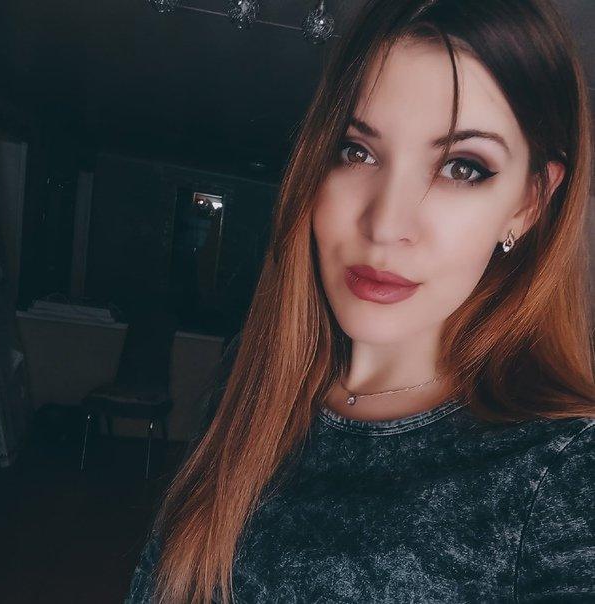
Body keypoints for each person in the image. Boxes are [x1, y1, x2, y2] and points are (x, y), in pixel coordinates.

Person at [125, 0, 595, 602]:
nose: (385, 224)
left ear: (530, 203)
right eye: (357, 152)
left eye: (462, 167)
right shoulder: (254, 385)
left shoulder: (564, 473)